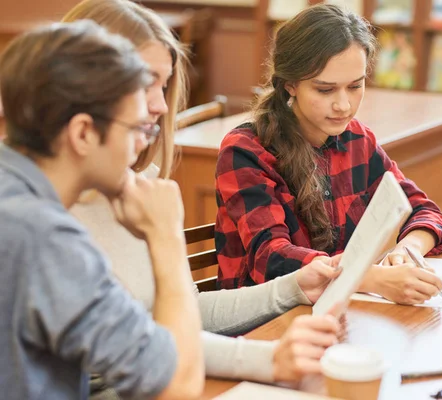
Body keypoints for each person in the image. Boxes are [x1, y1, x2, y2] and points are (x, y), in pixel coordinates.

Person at [62, 0, 342, 396]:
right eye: (146, 84)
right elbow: (145, 351)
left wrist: (295, 287)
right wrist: (266, 359)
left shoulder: (136, 187)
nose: (161, 106)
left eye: (164, 86)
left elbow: (182, 316)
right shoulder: (44, 216)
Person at [0, 21, 205, 399]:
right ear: (83, 134)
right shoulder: (46, 239)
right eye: (136, 129)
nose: (142, 143)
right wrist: (167, 235)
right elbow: (177, 385)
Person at [215, 3, 442, 305]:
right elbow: (271, 261)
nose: (343, 105)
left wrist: (408, 248)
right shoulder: (245, 151)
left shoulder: (356, 140)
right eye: (325, 90)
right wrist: (371, 278)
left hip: (334, 310)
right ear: (291, 86)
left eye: (355, 86)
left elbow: (424, 210)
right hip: (262, 321)